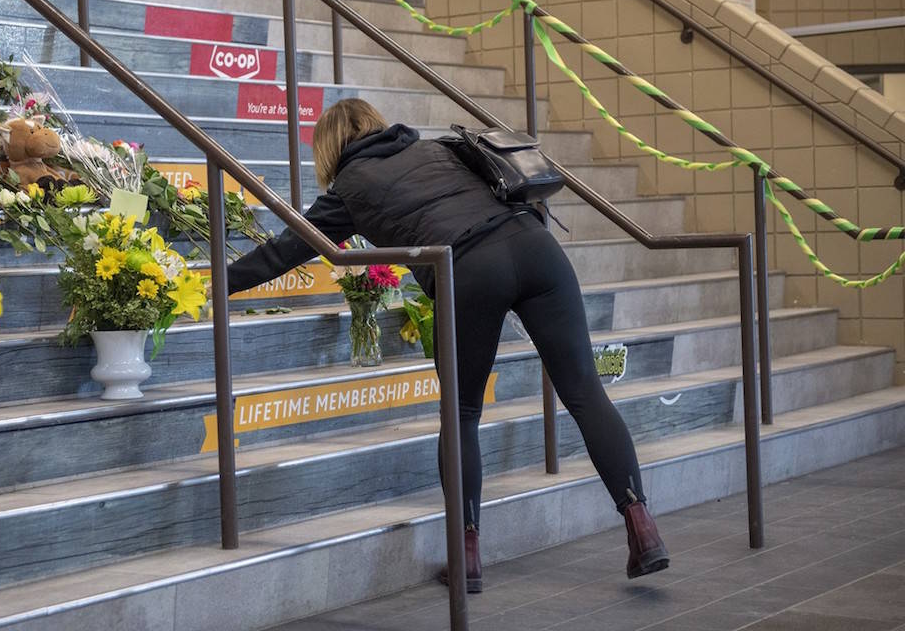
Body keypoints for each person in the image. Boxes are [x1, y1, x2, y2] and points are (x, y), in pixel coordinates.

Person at [227, 98, 669, 592]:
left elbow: (286, 249)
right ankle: (642, 526)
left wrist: (219, 282)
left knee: (461, 413)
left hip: (468, 269)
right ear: (377, 125)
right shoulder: (439, 149)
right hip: (537, 248)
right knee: (586, 393)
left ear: (328, 149)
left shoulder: (349, 188)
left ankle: (466, 556)